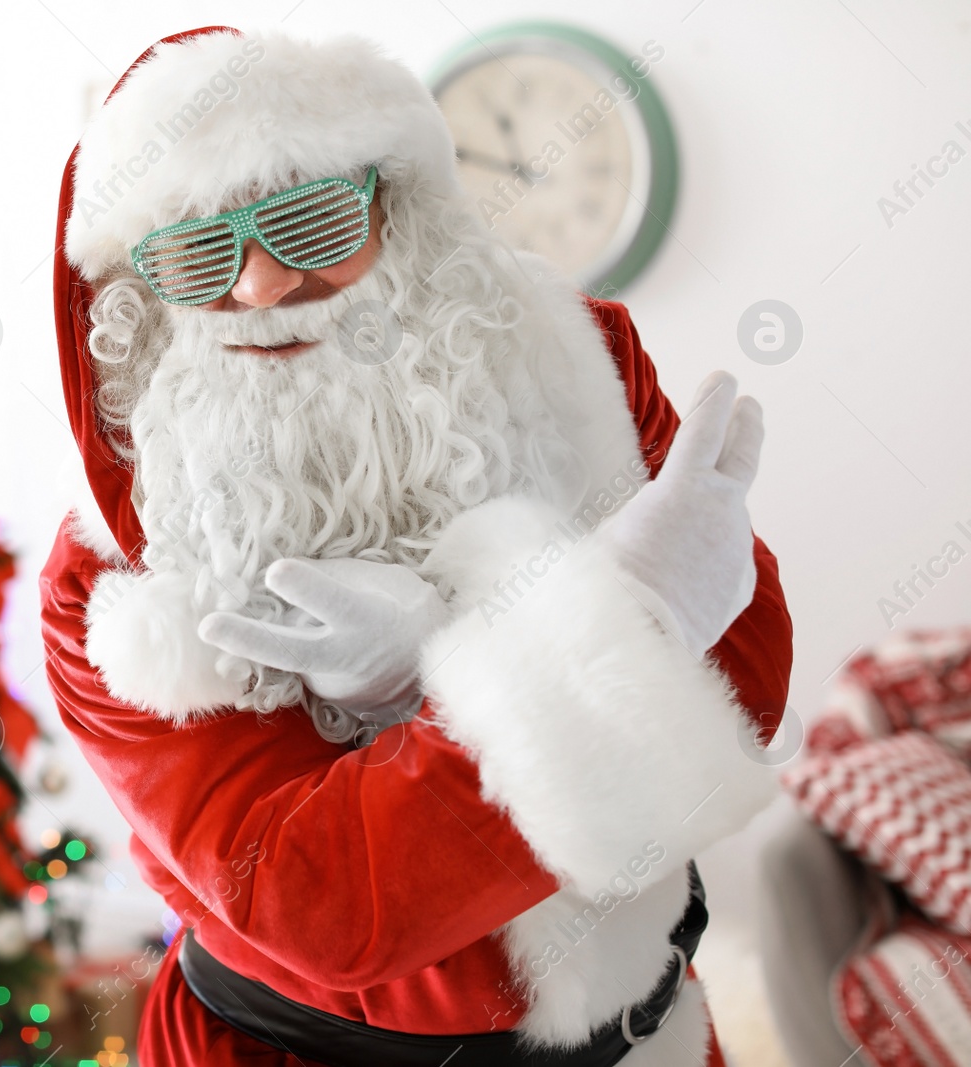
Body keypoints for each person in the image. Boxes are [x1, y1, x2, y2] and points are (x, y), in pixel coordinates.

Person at [41, 26, 793, 1067]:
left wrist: (430, 673)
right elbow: (325, 900)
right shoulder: (109, 583)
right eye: (193, 254)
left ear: (396, 206)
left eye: (306, 218)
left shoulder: (584, 365)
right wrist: (632, 622)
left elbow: (746, 677)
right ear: (136, 292)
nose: (260, 286)